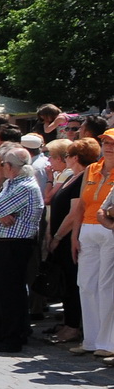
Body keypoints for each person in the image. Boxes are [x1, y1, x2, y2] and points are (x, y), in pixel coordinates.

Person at [0, 145, 44, 354]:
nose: (0, 167)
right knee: (0, 292)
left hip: (14, 244)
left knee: (10, 293)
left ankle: (12, 337)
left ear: (11, 166)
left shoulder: (23, 187)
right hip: (3, 243)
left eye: (3, 164)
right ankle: (1, 332)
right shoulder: (12, 184)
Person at [40, 138, 87, 348]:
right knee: (65, 282)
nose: (63, 159)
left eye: (67, 155)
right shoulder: (71, 176)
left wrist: (58, 236)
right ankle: (67, 322)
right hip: (59, 238)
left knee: (72, 284)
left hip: (68, 239)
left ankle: (73, 326)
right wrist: (51, 234)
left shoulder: (82, 178)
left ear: (75, 157)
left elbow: (73, 213)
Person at [73, 132, 114, 359]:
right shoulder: (91, 169)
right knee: (86, 284)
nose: (108, 147)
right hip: (88, 229)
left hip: (109, 229)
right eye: (106, 143)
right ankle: (91, 339)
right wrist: (74, 234)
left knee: (106, 287)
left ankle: (107, 342)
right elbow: (81, 204)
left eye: (112, 143)